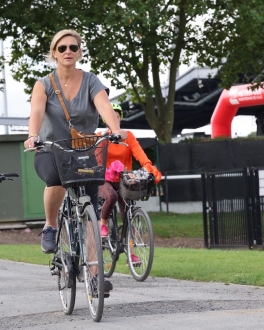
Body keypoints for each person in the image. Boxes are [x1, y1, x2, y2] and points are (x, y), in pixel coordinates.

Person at [24, 29, 127, 292]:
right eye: (62, 48)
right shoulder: (44, 83)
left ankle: (95, 277)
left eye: (73, 47)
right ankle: (49, 226)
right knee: (56, 178)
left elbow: (104, 106)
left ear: (79, 52)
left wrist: (114, 129)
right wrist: (32, 135)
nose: (68, 51)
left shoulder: (92, 81)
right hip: (50, 149)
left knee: (91, 208)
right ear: (54, 53)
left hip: (83, 151)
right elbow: (37, 110)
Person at [98, 103, 162, 266]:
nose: (115, 119)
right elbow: (96, 157)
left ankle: (131, 255)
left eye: (117, 116)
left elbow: (139, 154)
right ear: (106, 119)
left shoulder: (128, 136)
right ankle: (103, 224)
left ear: (120, 118)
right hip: (104, 178)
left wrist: (149, 167)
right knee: (110, 197)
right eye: (112, 116)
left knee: (127, 214)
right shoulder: (102, 136)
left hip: (123, 178)